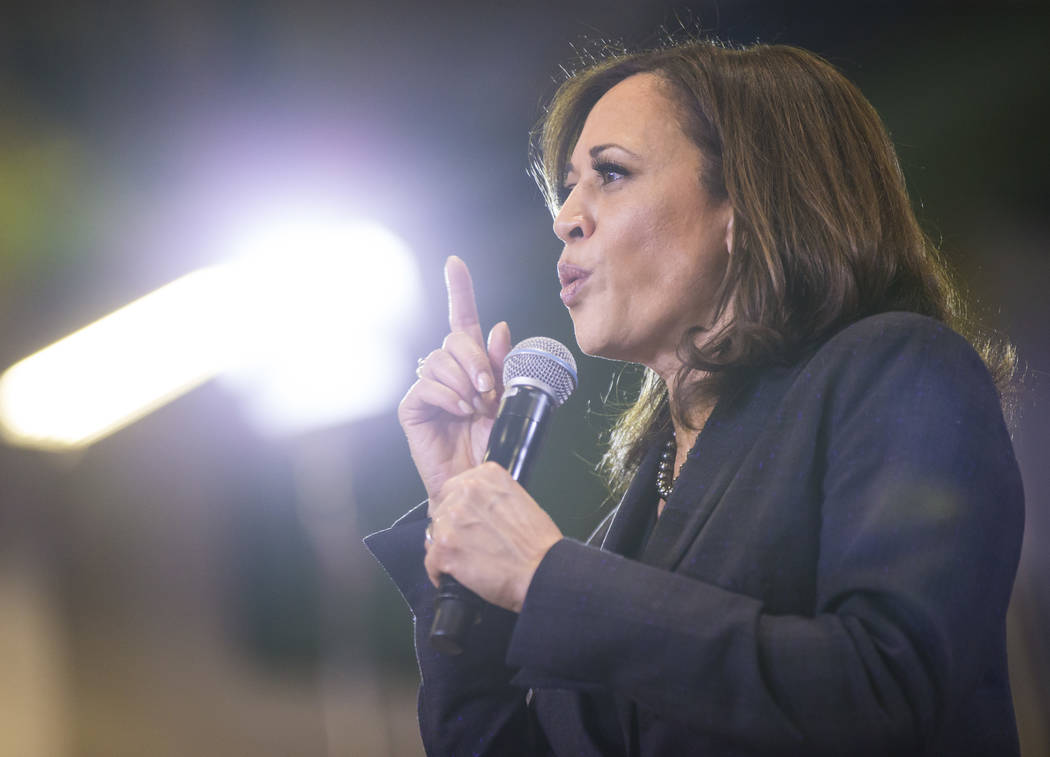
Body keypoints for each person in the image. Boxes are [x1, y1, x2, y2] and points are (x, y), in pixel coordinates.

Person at [365, 39, 1024, 756]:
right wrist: (466, 510)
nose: (565, 217)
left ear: (744, 202)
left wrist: (547, 575)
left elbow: (887, 685)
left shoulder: (902, 368)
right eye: (566, 188)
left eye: (610, 174)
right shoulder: (630, 519)